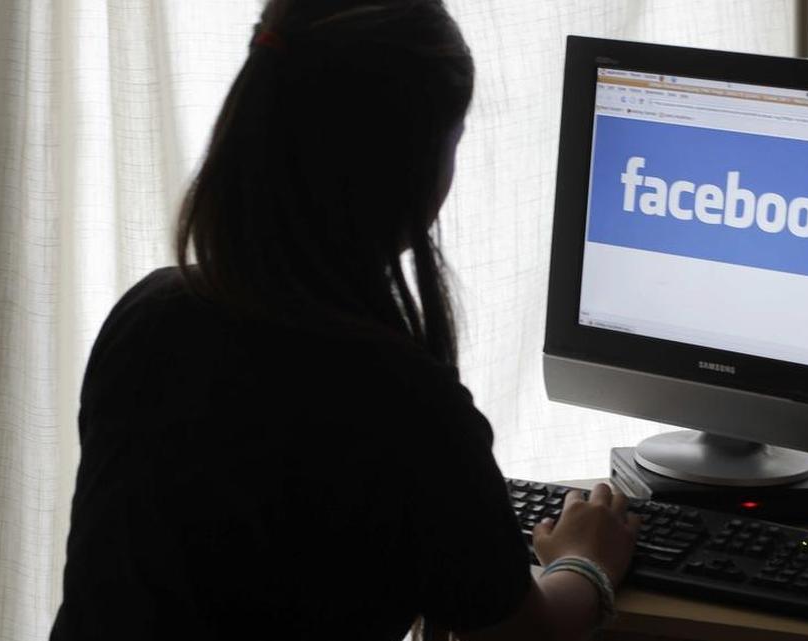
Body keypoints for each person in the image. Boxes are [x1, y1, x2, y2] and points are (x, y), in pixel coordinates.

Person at [49, 1, 639, 639]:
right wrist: (586, 560)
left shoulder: (146, 319)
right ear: (415, 169)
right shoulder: (403, 405)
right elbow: (525, 632)